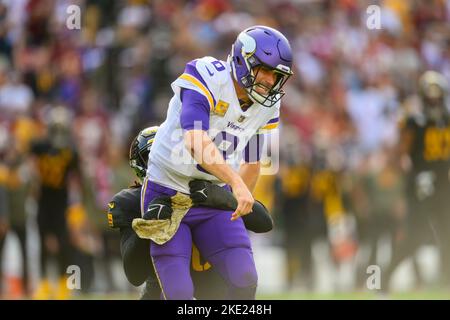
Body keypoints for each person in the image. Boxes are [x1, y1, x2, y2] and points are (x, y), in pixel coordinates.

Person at [140, 26, 293, 299]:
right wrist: (235, 183)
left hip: (213, 195)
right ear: (242, 61)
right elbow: (195, 140)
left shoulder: (268, 105)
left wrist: (239, 203)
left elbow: (253, 161)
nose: (270, 81)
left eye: (276, 75)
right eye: (265, 70)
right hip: (167, 191)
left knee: (244, 277)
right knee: (180, 293)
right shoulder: (207, 76)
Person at [108, 126, 274, 299]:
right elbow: (135, 275)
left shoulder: (209, 191)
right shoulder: (132, 201)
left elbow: (264, 222)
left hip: (215, 291)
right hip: (162, 292)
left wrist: (224, 199)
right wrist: (147, 225)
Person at [382, 70, 450, 291]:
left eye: (437, 95)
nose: (433, 99)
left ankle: (445, 281)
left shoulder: (447, 119)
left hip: (443, 184)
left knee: (447, 234)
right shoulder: (414, 120)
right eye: (429, 95)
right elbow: (401, 153)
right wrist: (407, 177)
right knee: (415, 236)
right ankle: (383, 283)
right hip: (421, 184)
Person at [29, 106, 82, 299]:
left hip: (62, 203)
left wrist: (76, 207)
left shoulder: (71, 151)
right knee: (43, 244)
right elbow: (30, 164)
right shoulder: (39, 146)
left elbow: (76, 180)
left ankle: (63, 285)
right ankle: (43, 284)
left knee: (64, 245)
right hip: (43, 201)